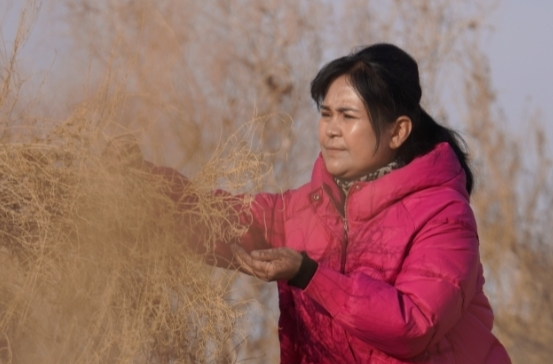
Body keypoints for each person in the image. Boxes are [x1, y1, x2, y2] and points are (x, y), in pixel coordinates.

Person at [110, 43, 511, 363]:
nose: (332, 131)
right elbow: (221, 222)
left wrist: (311, 276)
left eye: (348, 117)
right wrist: (144, 187)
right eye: (326, 114)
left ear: (398, 131)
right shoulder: (307, 208)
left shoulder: (444, 216)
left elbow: (414, 324)